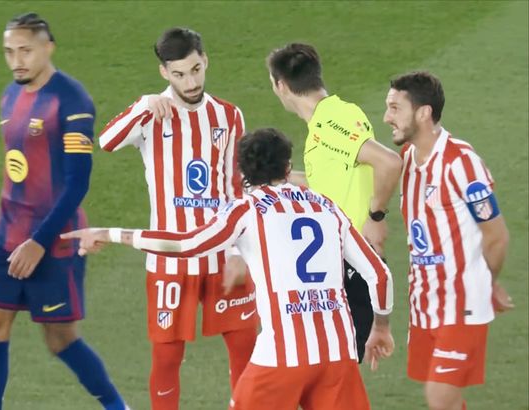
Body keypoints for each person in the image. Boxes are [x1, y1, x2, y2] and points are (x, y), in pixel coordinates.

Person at [63, 128, 395, 410]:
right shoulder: (327, 207)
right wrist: (380, 327)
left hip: (280, 357)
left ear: (241, 172)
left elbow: (185, 244)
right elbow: (379, 274)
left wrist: (111, 233)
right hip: (337, 354)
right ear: (288, 166)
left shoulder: (246, 210)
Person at [0, 13, 127, 410]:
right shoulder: (9, 95)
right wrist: (12, 234)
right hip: (7, 233)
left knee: (60, 338)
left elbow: (77, 183)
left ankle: (117, 406)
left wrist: (38, 242)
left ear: (48, 47)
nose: (16, 61)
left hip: (54, 239)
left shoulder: (72, 101)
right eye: (9, 52)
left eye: (25, 50)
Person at [99, 27, 257, 410]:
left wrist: (240, 251)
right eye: (180, 74)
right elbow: (106, 142)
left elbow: (238, 186)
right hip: (169, 258)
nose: (191, 82)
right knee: (167, 357)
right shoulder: (151, 115)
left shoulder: (228, 116)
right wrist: (143, 105)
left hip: (223, 253)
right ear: (164, 72)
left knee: (245, 347)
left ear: (206, 61)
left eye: (196, 70)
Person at [383, 71, 513, 410]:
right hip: (425, 303)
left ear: (423, 113)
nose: (387, 118)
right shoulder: (407, 159)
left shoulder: (461, 163)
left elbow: (496, 235)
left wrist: (486, 282)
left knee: (439, 396)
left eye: (395, 108)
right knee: (447, 401)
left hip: (462, 303)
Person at [266, 43, 403, 362]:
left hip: (354, 263)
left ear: (280, 85)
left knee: (334, 367)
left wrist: (376, 216)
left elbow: (389, 162)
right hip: (338, 263)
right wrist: (279, 180)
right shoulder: (331, 118)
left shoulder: (330, 122)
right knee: (328, 366)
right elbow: (333, 181)